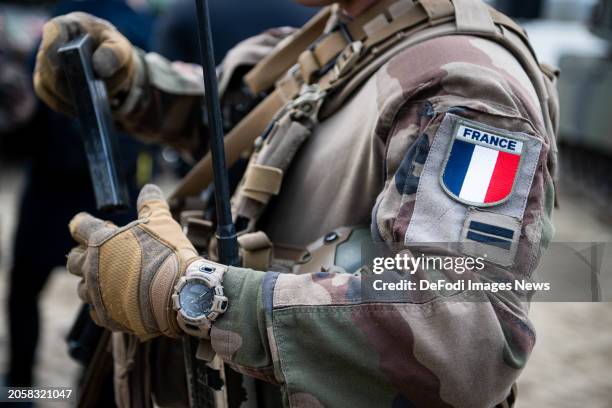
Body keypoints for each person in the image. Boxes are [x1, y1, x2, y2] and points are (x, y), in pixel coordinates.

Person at [32, 0, 559, 406]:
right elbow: (246, 121)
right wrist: (131, 83)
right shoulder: (355, 30)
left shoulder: (465, 91)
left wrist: (190, 293)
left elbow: (460, 337)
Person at [4, 0, 154, 388]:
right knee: (109, 304)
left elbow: (26, 122)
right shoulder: (138, 26)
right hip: (98, 190)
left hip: (73, 187)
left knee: (38, 292)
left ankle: (24, 387)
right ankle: (90, 387)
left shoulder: (61, 22)